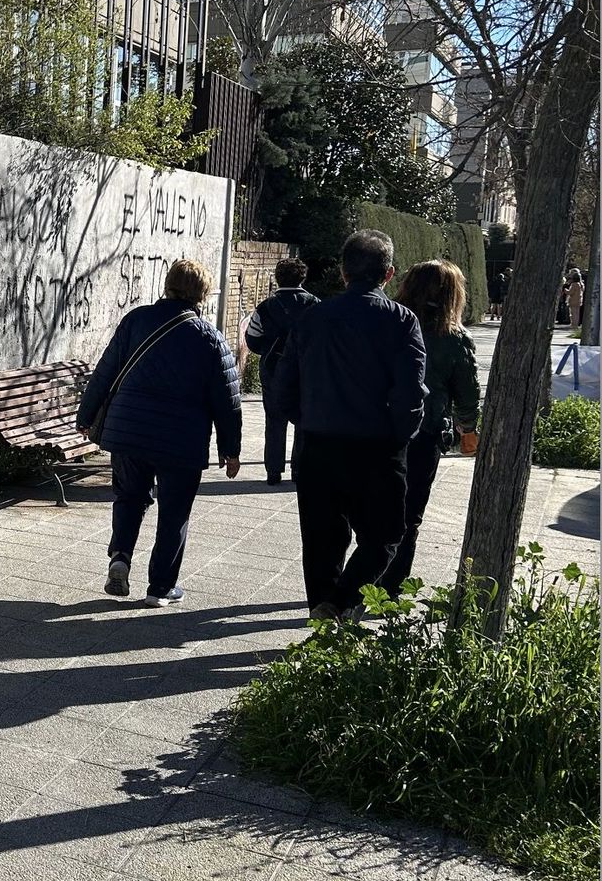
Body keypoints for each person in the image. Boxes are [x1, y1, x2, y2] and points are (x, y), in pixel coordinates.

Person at [272, 230, 427, 620]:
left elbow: (282, 388)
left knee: (322, 539)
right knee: (387, 534)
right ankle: (340, 602)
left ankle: (325, 608)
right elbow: (411, 392)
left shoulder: (312, 318)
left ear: (343, 272)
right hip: (376, 446)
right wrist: (399, 435)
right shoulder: (401, 321)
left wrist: (308, 420)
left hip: (318, 443)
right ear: (389, 274)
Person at [77, 259, 243, 608]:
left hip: (129, 432)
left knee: (129, 498)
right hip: (181, 442)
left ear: (167, 285)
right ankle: (160, 588)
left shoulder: (136, 320)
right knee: (174, 511)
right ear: (202, 294)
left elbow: (106, 371)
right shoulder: (210, 338)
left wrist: (86, 415)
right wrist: (231, 449)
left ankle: (120, 556)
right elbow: (226, 400)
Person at [378, 260, 480, 596]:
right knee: (410, 514)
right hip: (426, 431)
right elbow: (467, 393)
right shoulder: (454, 338)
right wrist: (468, 430)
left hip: (379, 426)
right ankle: (391, 585)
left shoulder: (388, 323)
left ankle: (367, 571)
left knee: (374, 506)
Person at [244, 257, 320, 484]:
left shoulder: (265, 307)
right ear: (303, 278)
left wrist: (268, 352)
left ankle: (273, 471)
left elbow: (252, 339)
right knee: (303, 419)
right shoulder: (315, 305)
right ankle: (298, 469)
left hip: (273, 367)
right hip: (305, 370)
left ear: (277, 279)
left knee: (274, 420)